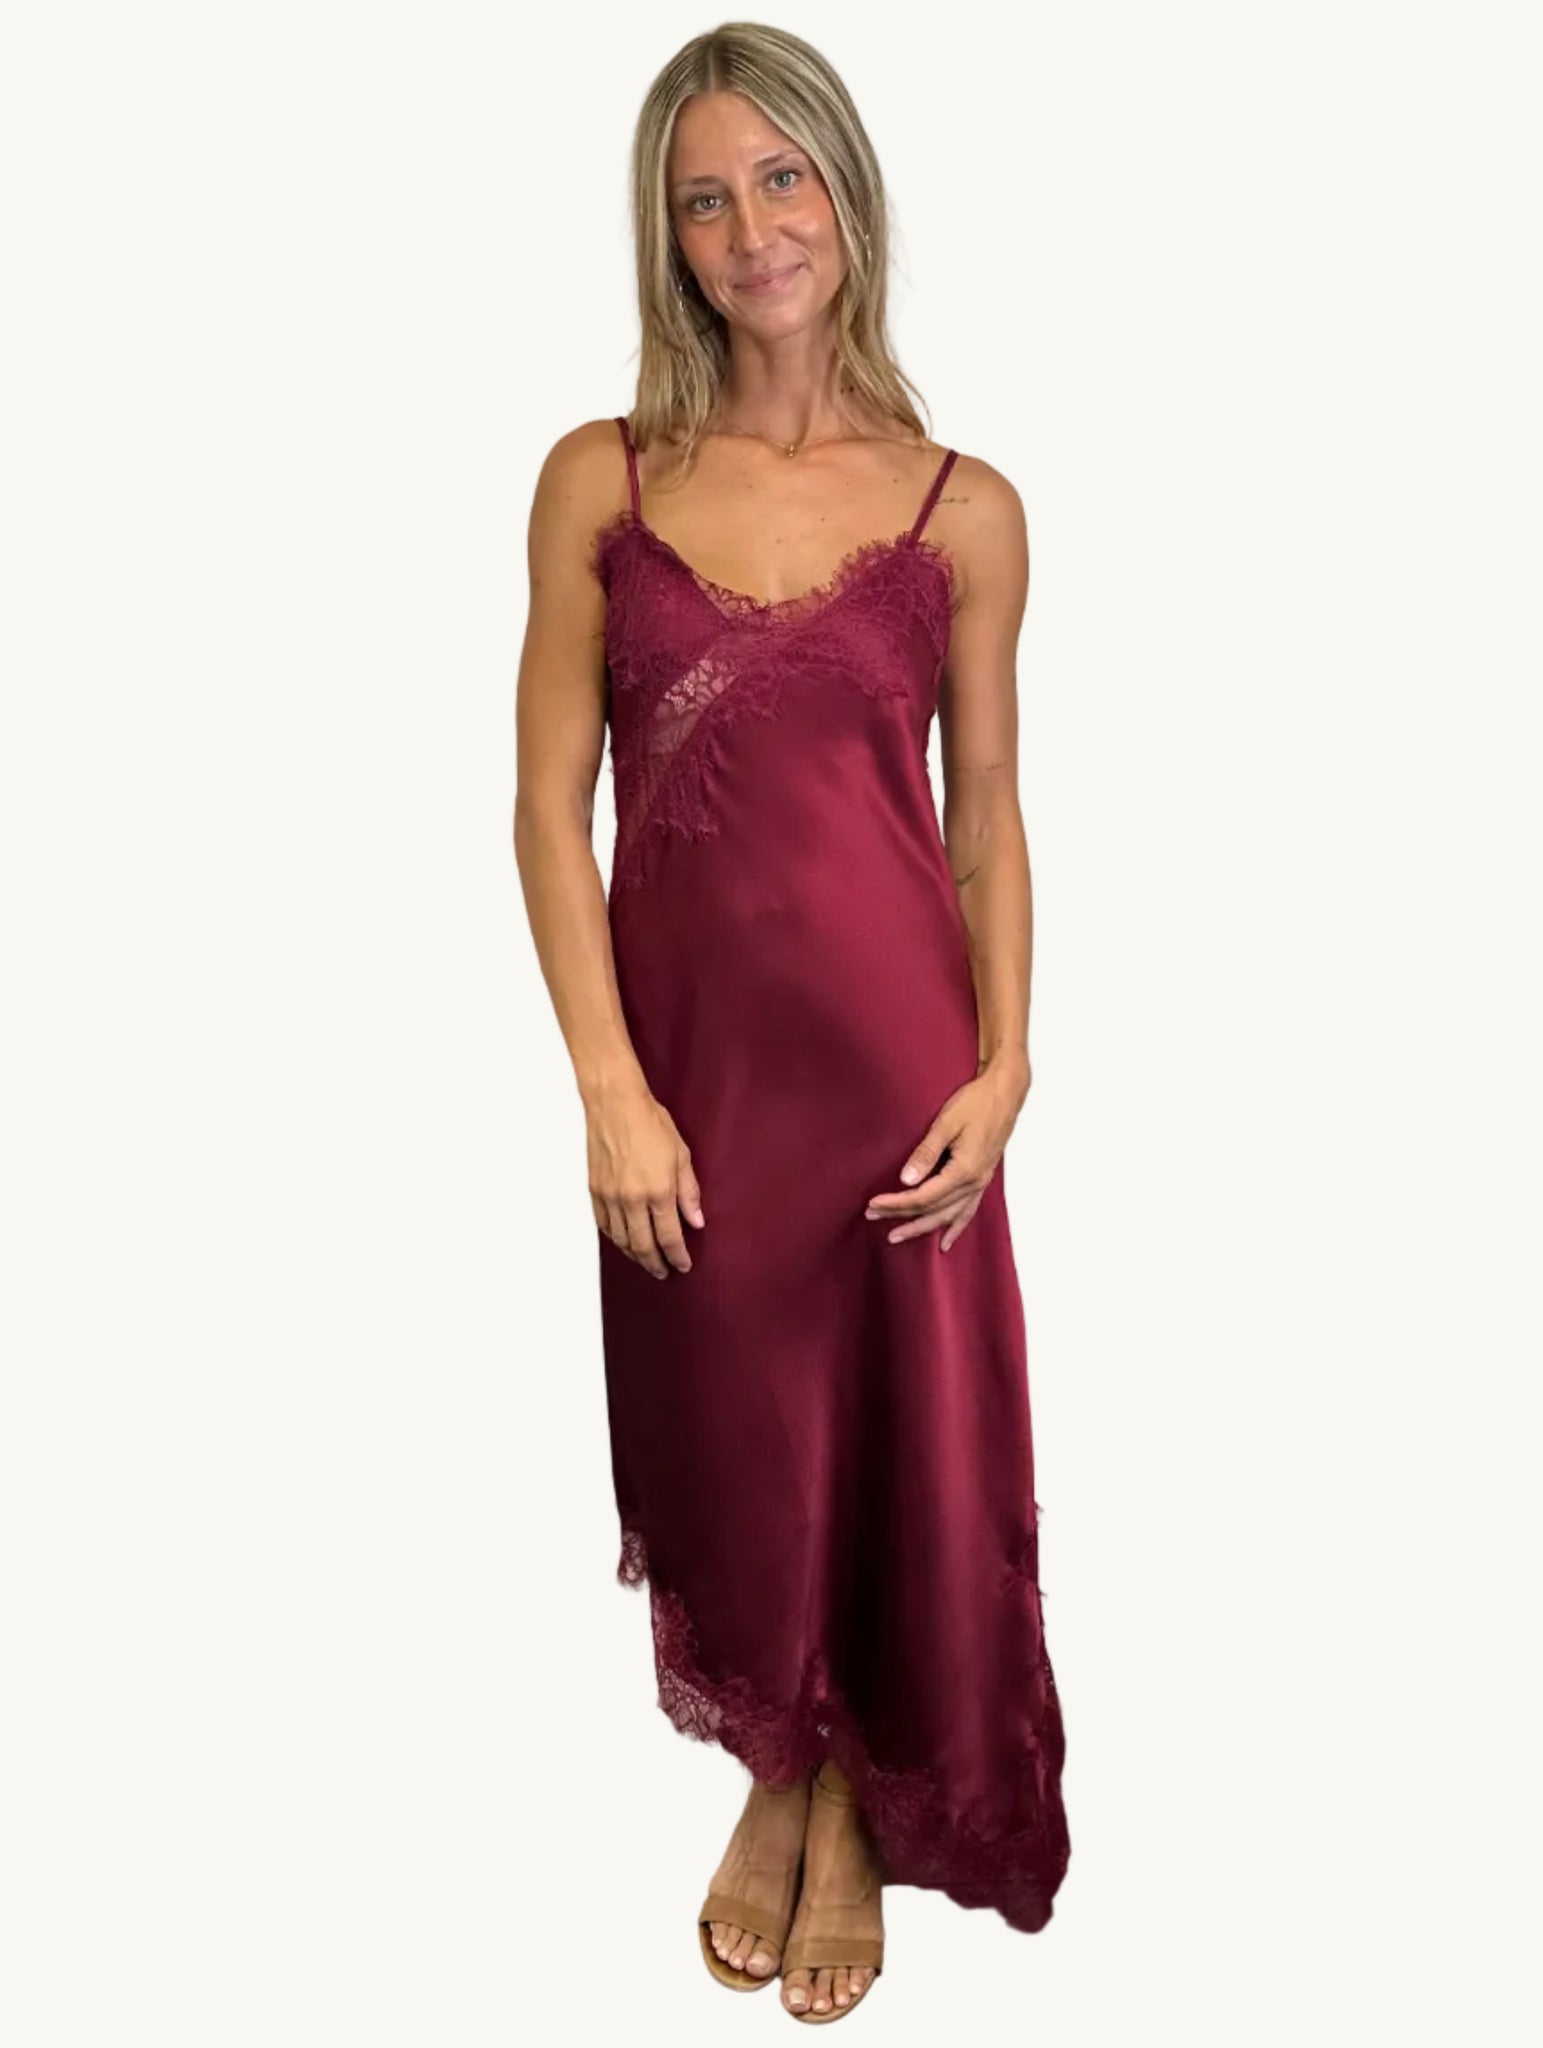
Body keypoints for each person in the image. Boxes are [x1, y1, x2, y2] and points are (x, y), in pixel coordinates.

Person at [513, 22, 1069, 2021]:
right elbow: (545, 808)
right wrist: (608, 1086)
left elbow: (984, 817)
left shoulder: (963, 508)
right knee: (735, 1435)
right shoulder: (603, 477)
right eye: (704, 196)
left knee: (898, 1448)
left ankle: (826, 1801)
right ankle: (781, 1751)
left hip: (900, 1070)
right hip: (694, 1083)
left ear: (846, 194)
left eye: (782, 177)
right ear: (663, 234)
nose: (751, 226)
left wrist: (1007, 1064)